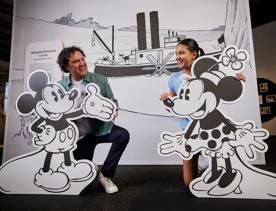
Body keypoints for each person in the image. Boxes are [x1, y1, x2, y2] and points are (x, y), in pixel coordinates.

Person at [160, 38, 245, 187]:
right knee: (189, 184)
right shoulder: (173, 79)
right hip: (189, 130)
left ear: (193, 55)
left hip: (212, 127)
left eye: (181, 52)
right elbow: (176, 106)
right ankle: (203, 164)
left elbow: (227, 88)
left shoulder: (209, 73)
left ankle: (214, 166)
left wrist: (238, 79)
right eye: (175, 53)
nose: (177, 56)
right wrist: (167, 100)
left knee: (220, 159)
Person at [57, 46, 130, 194]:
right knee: (85, 190)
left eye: (82, 59)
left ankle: (105, 175)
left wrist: (114, 109)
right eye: (75, 61)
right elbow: (57, 115)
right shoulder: (60, 87)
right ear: (66, 66)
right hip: (80, 137)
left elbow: (112, 101)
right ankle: (92, 169)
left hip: (101, 129)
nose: (82, 63)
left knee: (122, 135)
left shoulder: (100, 80)